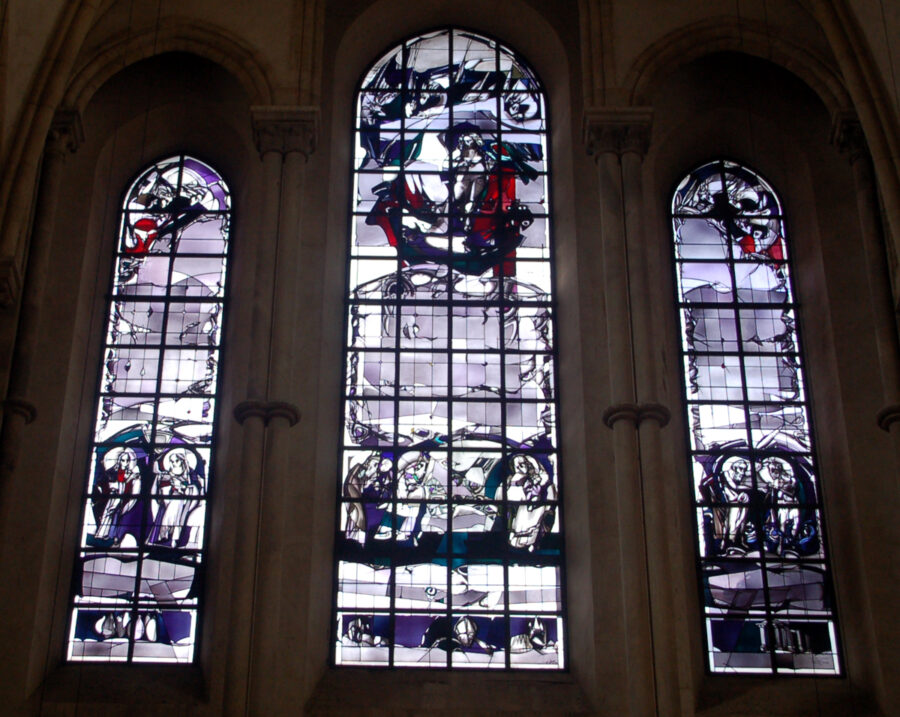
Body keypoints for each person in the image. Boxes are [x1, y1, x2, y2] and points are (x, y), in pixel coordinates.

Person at [94, 447, 142, 545]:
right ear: (119, 460)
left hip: (122, 498)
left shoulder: (128, 472)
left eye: (127, 460)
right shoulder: (118, 471)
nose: (125, 463)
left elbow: (127, 485)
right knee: (109, 514)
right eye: (123, 460)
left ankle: (112, 535)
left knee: (116, 516)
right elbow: (121, 483)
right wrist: (131, 478)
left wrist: (133, 478)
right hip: (115, 497)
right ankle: (103, 533)